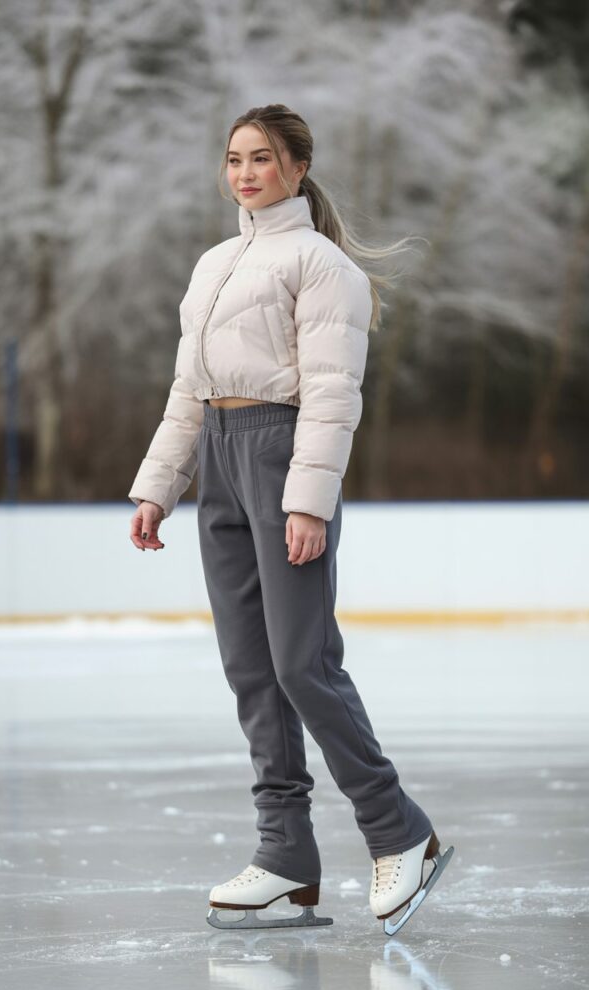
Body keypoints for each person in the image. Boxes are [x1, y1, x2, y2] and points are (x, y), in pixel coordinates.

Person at [127, 104, 452, 932]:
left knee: (302, 662)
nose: (245, 173)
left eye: (262, 158)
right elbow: (187, 390)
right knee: (251, 668)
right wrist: (159, 486)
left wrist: (308, 500)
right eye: (234, 158)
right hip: (219, 460)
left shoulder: (322, 266)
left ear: (298, 168)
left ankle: (399, 832)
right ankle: (285, 855)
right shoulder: (214, 264)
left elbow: (334, 395)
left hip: (280, 455)